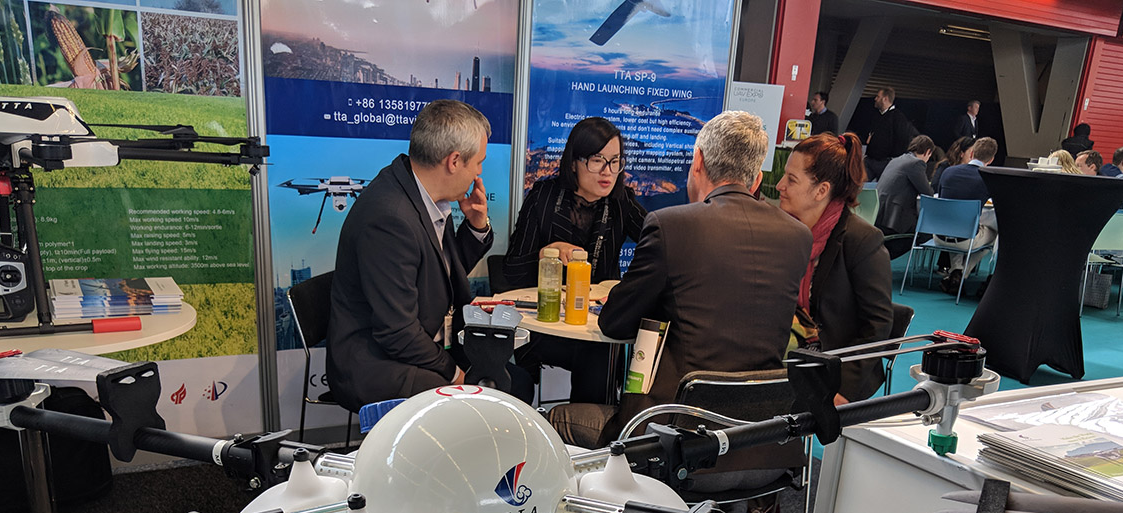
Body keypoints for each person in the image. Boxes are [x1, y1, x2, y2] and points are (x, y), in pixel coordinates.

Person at [545, 110, 812, 448]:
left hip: (674, 435)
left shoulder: (671, 226)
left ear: (697, 161)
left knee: (555, 420)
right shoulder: (797, 236)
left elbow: (614, 323)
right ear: (757, 179)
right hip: (760, 439)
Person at [326, 99, 529, 410]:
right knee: (484, 401)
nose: (479, 172)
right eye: (478, 162)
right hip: (377, 362)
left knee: (516, 383)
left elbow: (439, 274)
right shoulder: (390, 218)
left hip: (418, 345)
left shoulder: (421, 193)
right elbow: (397, 333)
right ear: (454, 161)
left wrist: (476, 227)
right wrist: (456, 374)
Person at [502, 117, 647, 402]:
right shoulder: (543, 197)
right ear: (573, 163)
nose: (608, 172)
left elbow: (658, 242)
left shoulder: (622, 202)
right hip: (545, 325)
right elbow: (511, 271)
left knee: (599, 355)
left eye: (615, 161)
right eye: (597, 160)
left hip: (595, 329)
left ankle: (583, 427)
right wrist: (545, 254)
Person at [777, 132, 894, 403]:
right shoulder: (786, 231)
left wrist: (844, 389)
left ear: (821, 190)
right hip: (791, 354)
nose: (780, 186)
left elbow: (878, 326)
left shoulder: (861, 240)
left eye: (791, 179)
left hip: (837, 368)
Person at [935, 136, 999, 295]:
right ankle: (962, 274)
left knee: (957, 224)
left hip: (939, 234)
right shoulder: (988, 179)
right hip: (965, 239)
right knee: (994, 233)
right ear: (991, 159)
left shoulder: (948, 172)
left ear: (971, 154)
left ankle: (956, 270)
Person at [875, 134, 935, 235]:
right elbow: (927, 193)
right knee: (928, 233)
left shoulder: (895, 160)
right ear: (928, 152)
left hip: (879, 217)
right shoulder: (916, 163)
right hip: (896, 221)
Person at [864, 86, 918, 181]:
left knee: (882, 187)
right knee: (859, 184)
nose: (875, 99)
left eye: (878, 96)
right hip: (870, 159)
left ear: (885, 99)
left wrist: (892, 158)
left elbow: (902, 139)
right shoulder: (876, 116)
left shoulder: (898, 117)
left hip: (885, 162)